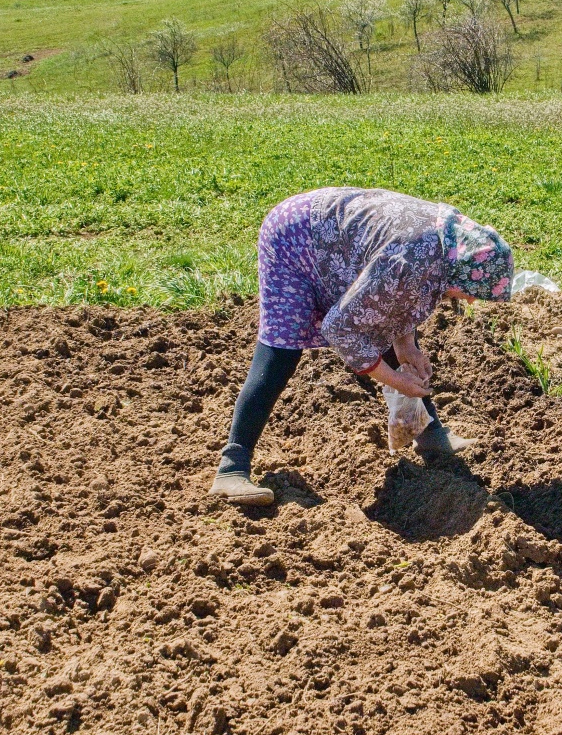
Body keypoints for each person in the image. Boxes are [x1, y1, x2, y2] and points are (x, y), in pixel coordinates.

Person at [210, 187, 514, 506]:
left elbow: (395, 301)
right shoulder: (411, 258)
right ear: (463, 272)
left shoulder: (450, 244)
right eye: (471, 292)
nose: (468, 299)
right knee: (281, 352)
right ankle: (232, 469)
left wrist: (406, 345)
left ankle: (428, 436)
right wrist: (397, 381)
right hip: (296, 239)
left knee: (379, 318)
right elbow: (341, 328)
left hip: (336, 237)